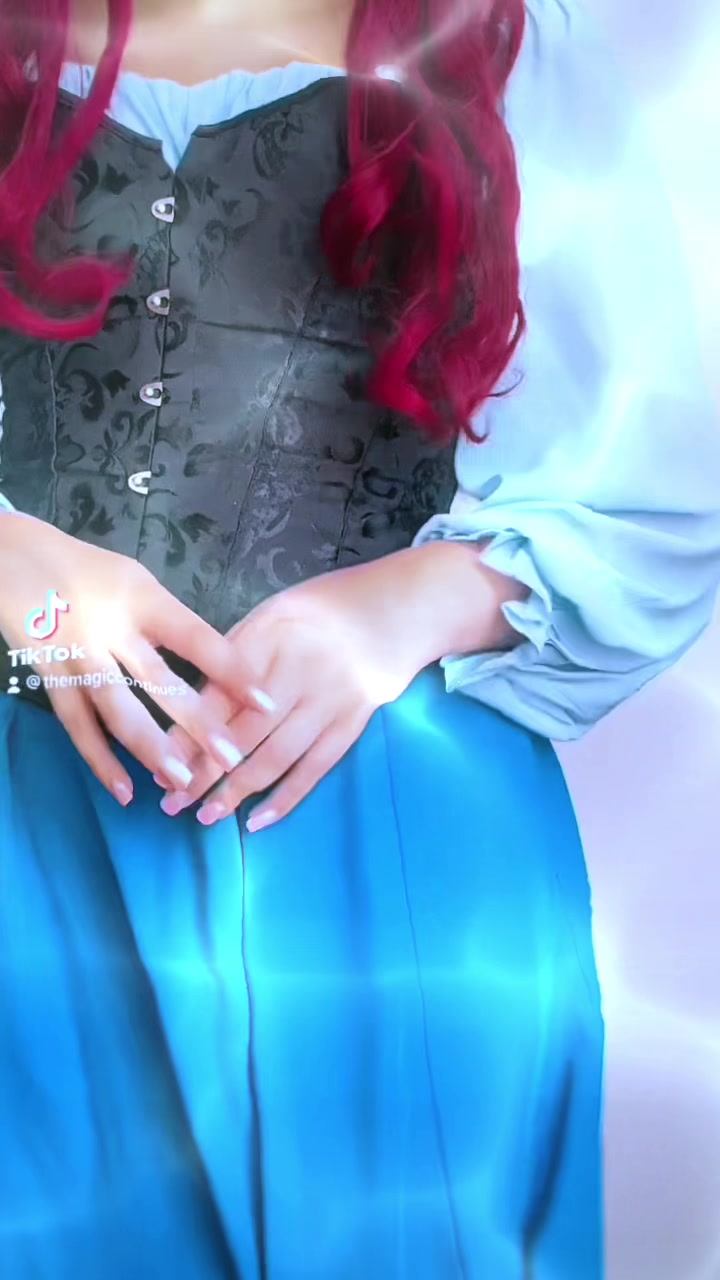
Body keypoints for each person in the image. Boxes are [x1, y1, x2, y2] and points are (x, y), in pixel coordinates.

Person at [0, 0, 717, 1276]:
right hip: (31, 817)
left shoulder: (503, 49)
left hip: (396, 823)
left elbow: (666, 478)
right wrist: (20, 573)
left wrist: (407, 602)